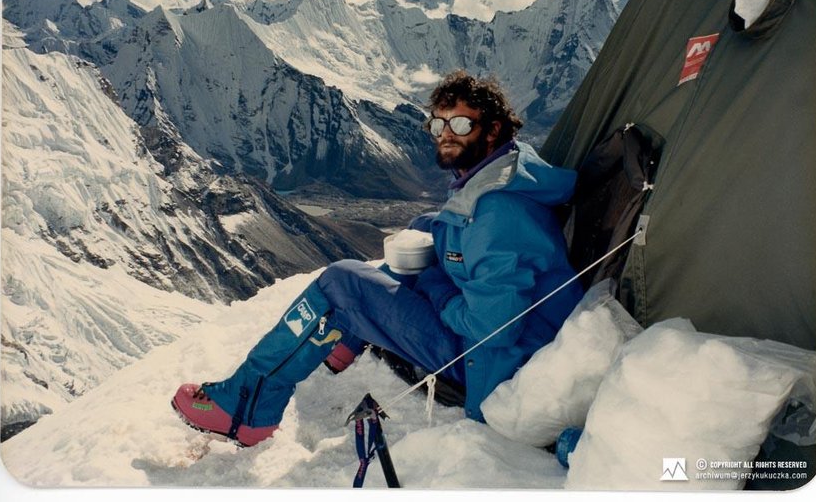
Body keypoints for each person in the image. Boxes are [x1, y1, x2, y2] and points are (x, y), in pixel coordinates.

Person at [172, 70, 583, 446]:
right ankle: (350, 332)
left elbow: (490, 330)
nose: (445, 134)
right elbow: (474, 253)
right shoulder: (506, 174)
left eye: (460, 124)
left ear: (493, 130)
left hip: (491, 366)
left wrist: (434, 283)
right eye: (438, 124)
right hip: (522, 338)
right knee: (428, 225)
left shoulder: (498, 216)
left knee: (340, 283)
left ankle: (245, 410)